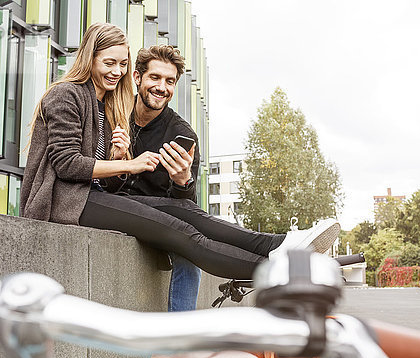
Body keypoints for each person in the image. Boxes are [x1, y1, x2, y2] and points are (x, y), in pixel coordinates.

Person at [20, 23, 340, 282]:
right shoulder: (66, 95)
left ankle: (281, 245)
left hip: (91, 196)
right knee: (183, 233)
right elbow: (65, 165)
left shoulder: (110, 106)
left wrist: (120, 161)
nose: (116, 71)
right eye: (109, 63)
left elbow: (114, 187)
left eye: (121, 63)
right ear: (90, 59)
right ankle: (283, 274)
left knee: (187, 214)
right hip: (64, 201)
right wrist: (129, 163)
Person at [121, 45, 201, 312]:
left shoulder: (182, 133)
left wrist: (182, 181)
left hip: (155, 220)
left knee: (191, 252)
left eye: (170, 81)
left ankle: (178, 345)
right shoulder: (114, 114)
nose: (161, 87)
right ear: (137, 77)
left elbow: (186, 208)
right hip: (111, 208)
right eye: (155, 78)